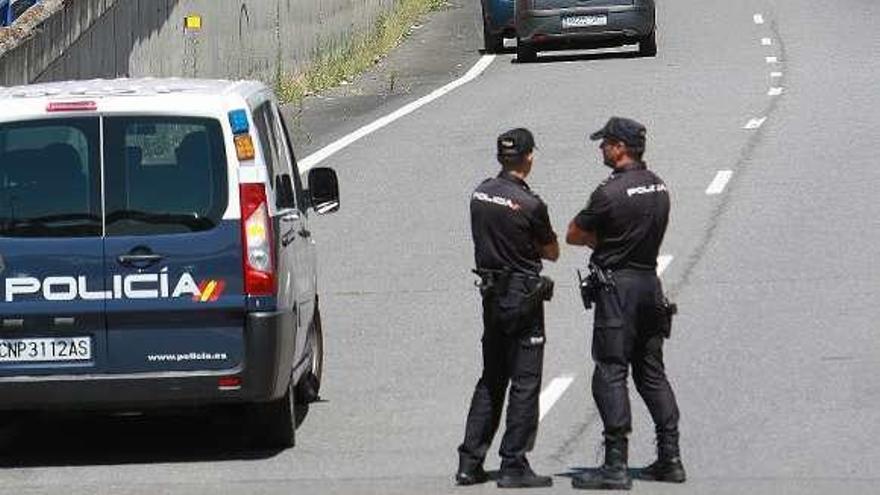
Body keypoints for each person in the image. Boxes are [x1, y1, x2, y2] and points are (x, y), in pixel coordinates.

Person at [566, 117, 685, 490]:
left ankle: (615, 464)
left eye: (605, 143)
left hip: (617, 290)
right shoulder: (659, 185)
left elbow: (573, 234)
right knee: (651, 372)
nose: (601, 148)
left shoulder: (609, 192)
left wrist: (602, 244)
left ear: (620, 147)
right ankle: (671, 457)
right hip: (650, 285)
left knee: (610, 371)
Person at [456, 128, 560, 489]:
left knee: (492, 377)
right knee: (525, 381)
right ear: (529, 157)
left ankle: (469, 462)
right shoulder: (530, 204)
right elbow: (552, 252)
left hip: (491, 294)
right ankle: (514, 462)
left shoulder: (480, 193)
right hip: (522, 294)